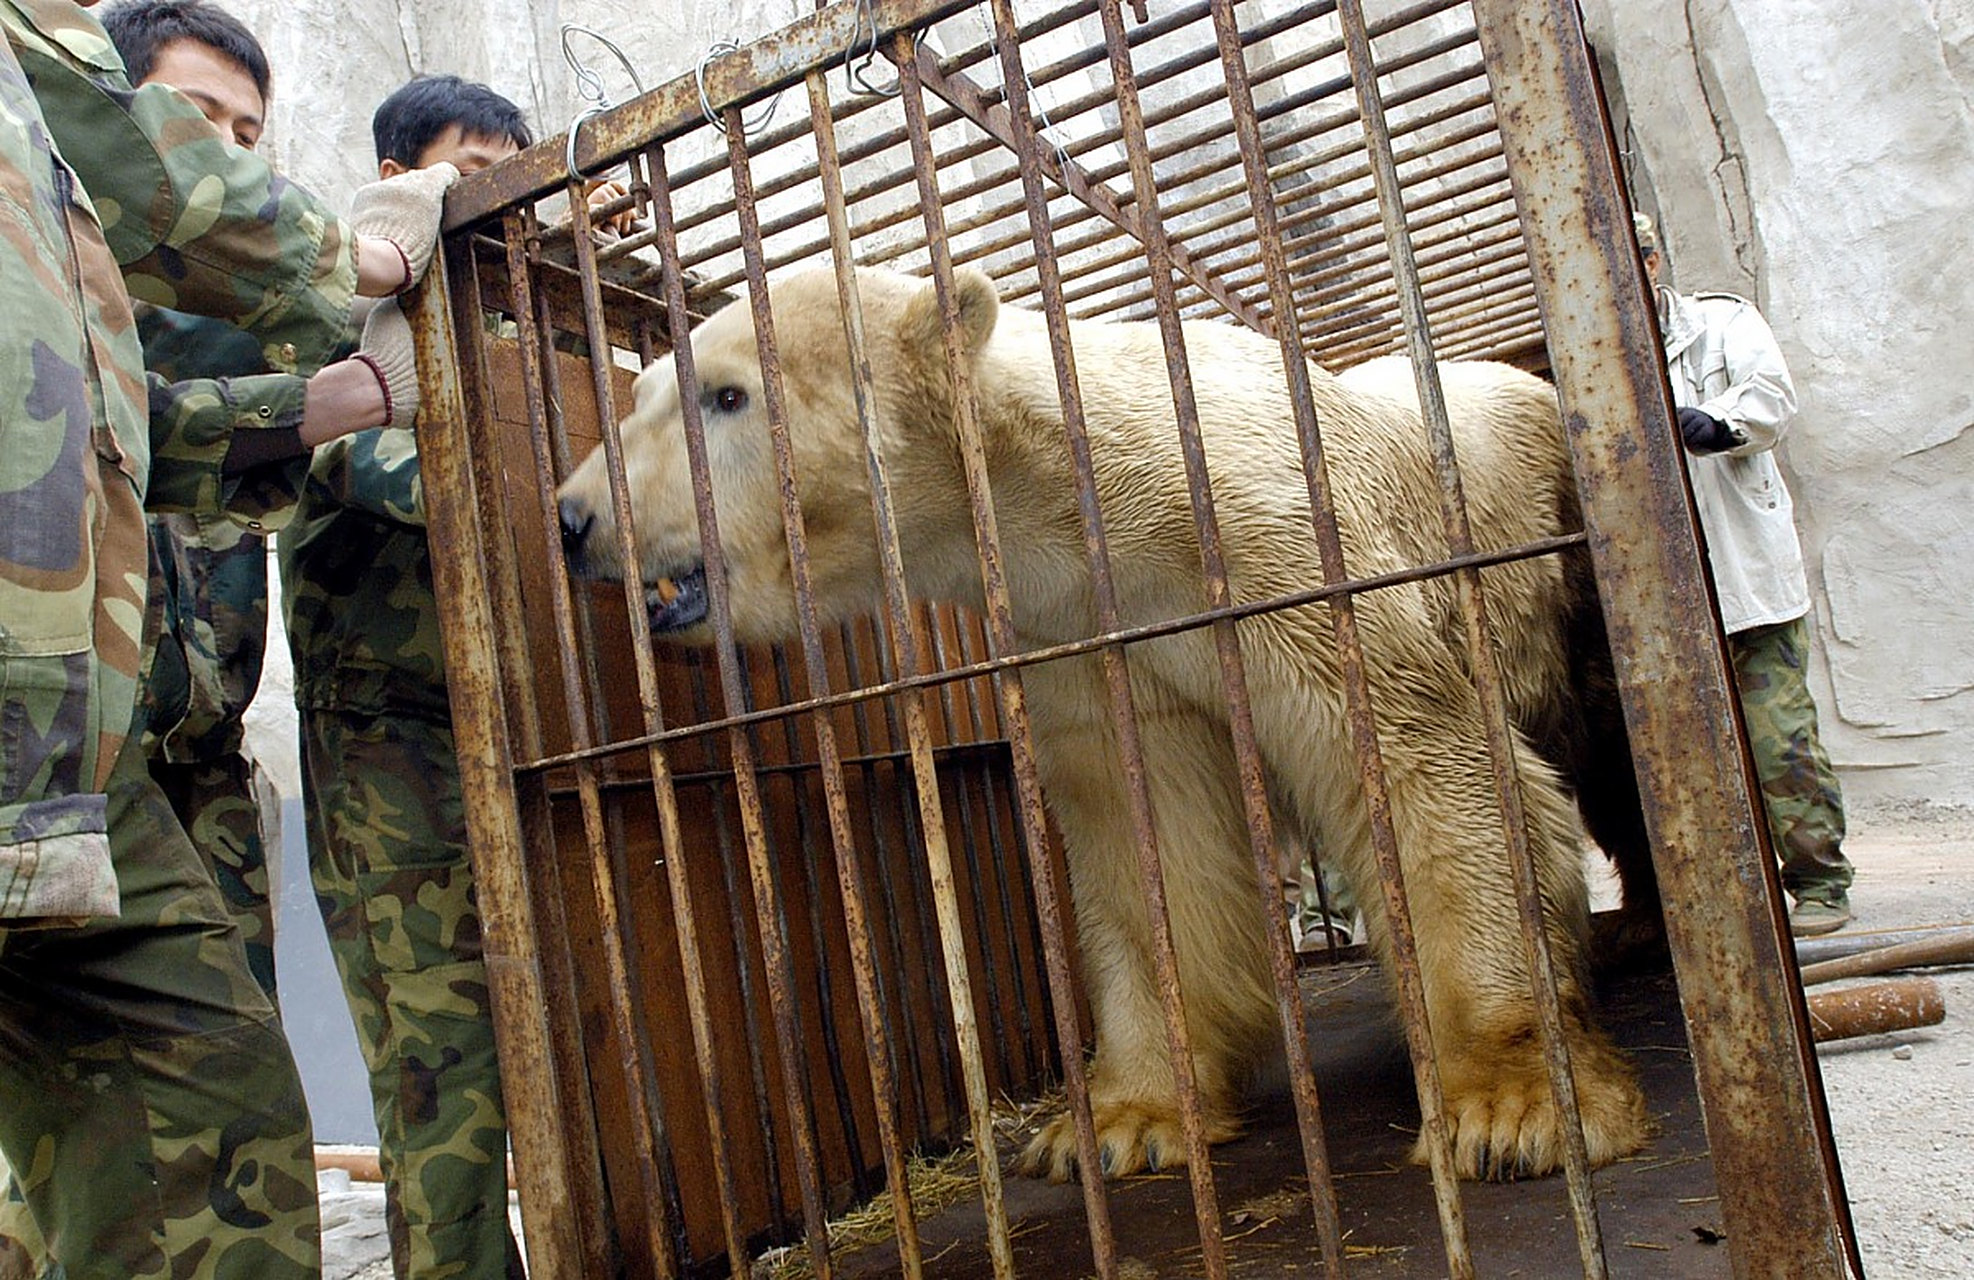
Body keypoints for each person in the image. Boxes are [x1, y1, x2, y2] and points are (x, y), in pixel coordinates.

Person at [0, 0, 453, 1272]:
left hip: (106, 770)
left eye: (252, 134)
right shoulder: (77, 145)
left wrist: (333, 394)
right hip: (106, 753)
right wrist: (358, 260)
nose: (224, 159)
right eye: (198, 122)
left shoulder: (75, 269)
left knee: (204, 1123)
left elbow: (126, 423)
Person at [279, 73, 532, 1280]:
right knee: (441, 1059)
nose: (489, 195)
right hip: (390, 746)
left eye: (509, 172)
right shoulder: (339, 311)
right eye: (466, 169)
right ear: (399, 180)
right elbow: (394, 473)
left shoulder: (510, 322)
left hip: (512, 728)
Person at [1635, 210, 1856, 937]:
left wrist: (1717, 420)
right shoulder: (1593, 353)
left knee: (1779, 737)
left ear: (1655, 260)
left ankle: (1820, 882)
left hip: (1749, 577)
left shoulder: (1722, 324)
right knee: (1688, 759)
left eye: (1636, 258)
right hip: (1666, 600)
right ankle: (1727, 904)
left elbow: (1771, 399)